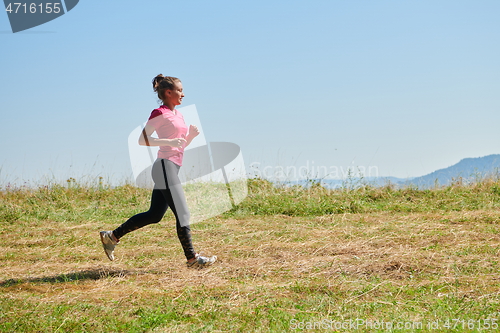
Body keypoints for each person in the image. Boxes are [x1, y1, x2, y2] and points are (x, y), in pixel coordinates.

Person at [100, 74, 217, 269]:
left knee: (154, 215)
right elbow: (142, 139)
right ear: (168, 92)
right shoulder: (159, 112)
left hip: (172, 166)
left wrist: (190, 138)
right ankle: (192, 259)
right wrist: (168, 141)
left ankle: (111, 236)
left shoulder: (178, 114)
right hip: (164, 167)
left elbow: (178, 147)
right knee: (183, 213)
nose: (183, 94)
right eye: (180, 90)